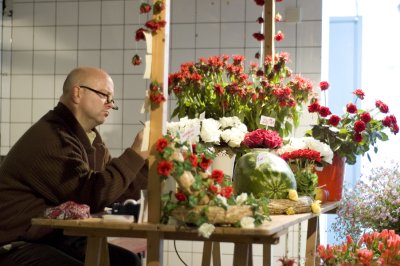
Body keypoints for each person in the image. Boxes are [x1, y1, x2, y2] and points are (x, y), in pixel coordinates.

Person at [0, 67, 148, 266]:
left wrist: (153, 165)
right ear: (77, 93)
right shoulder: (51, 137)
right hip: (15, 244)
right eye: (105, 95)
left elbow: (112, 190)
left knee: (126, 261)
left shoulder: (90, 139)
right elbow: (91, 196)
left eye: (112, 99)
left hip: (51, 238)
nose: (110, 104)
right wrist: (136, 153)